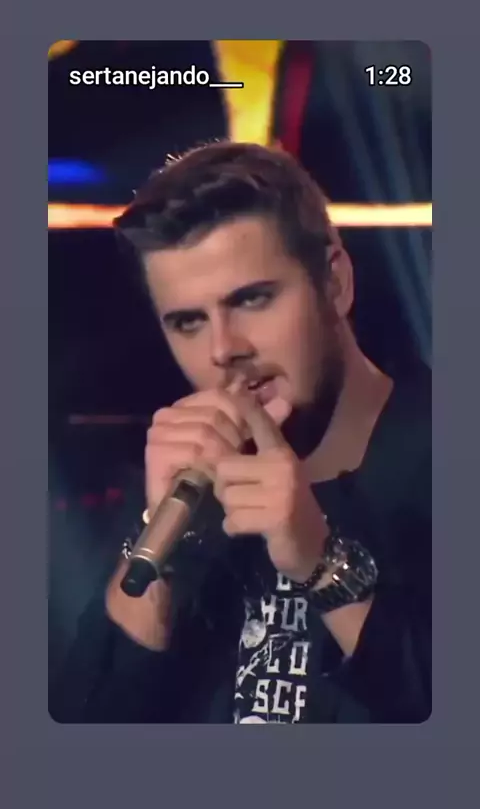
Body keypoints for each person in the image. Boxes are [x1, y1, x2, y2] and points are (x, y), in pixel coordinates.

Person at [50, 141, 431, 724]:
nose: (224, 349)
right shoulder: (186, 496)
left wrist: (321, 563)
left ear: (335, 282)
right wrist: (163, 545)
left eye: (252, 299)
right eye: (188, 322)